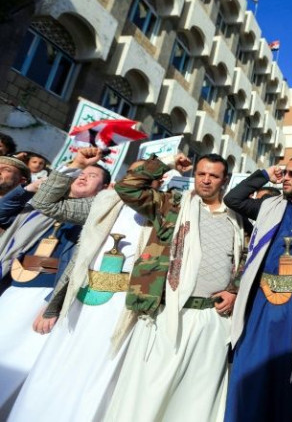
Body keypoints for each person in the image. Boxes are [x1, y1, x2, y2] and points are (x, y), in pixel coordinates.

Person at [8, 149, 170, 421]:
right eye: (130, 175)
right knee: (57, 368)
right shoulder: (105, 202)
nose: (134, 183)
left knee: (98, 377)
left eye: (144, 177)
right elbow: (47, 204)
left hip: (121, 311)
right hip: (79, 301)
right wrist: (75, 165)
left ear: (158, 182)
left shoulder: (167, 211)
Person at [105, 153, 244, 421]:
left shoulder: (236, 219)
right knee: (150, 390)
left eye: (213, 175)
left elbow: (247, 257)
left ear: (224, 180)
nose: (206, 180)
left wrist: (234, 289)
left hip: (212, 319)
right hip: (167, 314)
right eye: (201, 173)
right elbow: (127, 187)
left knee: (197, 394)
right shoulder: (171, 205)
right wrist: (166, 164)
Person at [223, 158, 292, 422]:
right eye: (284, 173)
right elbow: (233, 199)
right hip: (262, 305)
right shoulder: (268, 206)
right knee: (252, 372)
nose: (285, 178)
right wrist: (264, 174)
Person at [0, 152, 108, 417]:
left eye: (93, 176)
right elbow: (3, 214)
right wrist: (29, 188)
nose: (83, 176)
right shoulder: (42, 205)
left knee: (15, 372)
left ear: (105, 189)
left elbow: (72, 264)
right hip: (12, 291)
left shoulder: (97, 216)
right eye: (82, 173)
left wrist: (51, 303)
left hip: (41, 302)